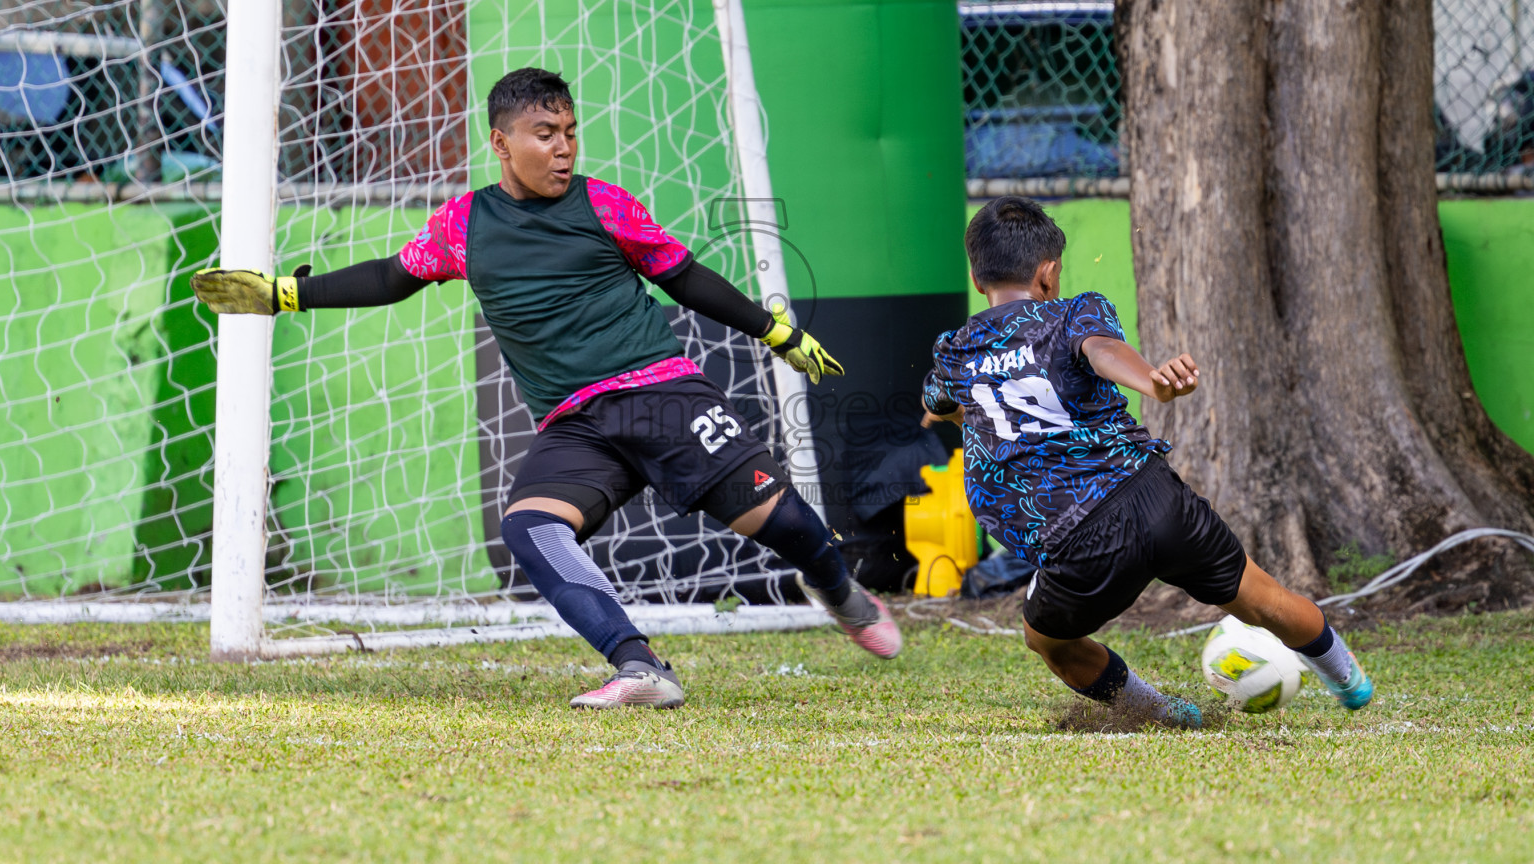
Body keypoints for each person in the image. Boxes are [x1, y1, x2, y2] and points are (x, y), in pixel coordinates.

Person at [192, 67, 901, 709]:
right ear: (500, 143)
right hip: (574, 423)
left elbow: (681, 277)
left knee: (786, 528)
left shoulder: (607, 206)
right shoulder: (463, 224)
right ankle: (639, 665)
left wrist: (775, 332)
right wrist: (286, 293)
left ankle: (835, 586)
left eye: (569, 132)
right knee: (529, 528)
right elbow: (389, 279)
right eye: (544, 134)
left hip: (662, 396)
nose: (563, 149)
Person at [919, 196, 1372, 728]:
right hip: (1151, 494)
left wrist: (961, 416)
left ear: (976, 279)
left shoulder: (955, 351)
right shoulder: (1072, 311)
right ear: (1048, 274)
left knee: (1045, 640)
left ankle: (1165, 713)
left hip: (1075, 542)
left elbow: (941, 403)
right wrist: (1151, 381)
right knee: (1261, 596)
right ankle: (1350, 682)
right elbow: (1101, 349)